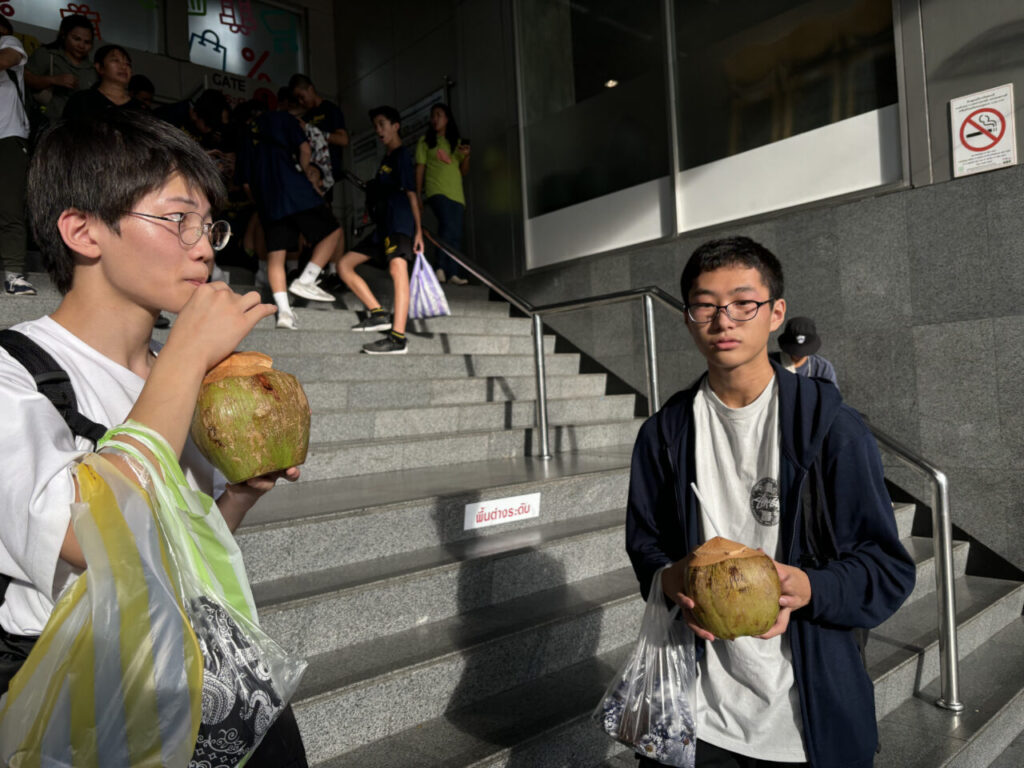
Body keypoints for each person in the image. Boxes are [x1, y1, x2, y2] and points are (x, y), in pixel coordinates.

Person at [0, 109, 307, 766]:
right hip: (96, 707)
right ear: (82, 230)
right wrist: (186, 359)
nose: (203, 247)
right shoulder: (14, 373)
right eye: (176, 221)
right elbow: (84, 538)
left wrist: (239, 498)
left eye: (209, 226)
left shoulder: (181, 371)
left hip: (208, 678)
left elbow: (175, 553)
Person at [625, 236, 915, 768]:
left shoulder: (834, 432)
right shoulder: (663, 436)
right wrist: (675, 579)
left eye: (743, 303)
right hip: (697, 719)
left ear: (775, 312)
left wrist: (810, 587)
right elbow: (646, 549)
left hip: (806, 723)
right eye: (705, 305)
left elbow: (886, 571)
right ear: (688, 317)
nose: (723, 320)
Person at [237, 107, 343, 328]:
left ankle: (284, 313)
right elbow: (305, 149)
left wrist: (262, 202)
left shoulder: (247, 133)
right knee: (333, 230)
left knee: (276, 257)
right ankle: (307, 279)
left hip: (267, 198)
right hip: (293, 188)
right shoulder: (282, 117)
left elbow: (246, 183)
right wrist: (305, 175)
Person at [336, 105, 423, 355]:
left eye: (382, 124)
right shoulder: (386, 159)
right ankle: (378, 312)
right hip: (382, 227)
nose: (378, 130)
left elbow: (412, 194)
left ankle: (398, 338)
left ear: (396, 126)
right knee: (344, 265)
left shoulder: (402, 156)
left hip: (399, 223)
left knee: (398, 268)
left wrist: (417, 231)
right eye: (376, 126)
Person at [415, 102, 470, 285]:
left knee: (455, 233)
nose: (435, 119)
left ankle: (452, 272)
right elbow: (420, 169)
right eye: (433, 115)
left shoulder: (456, 143)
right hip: (436, 190)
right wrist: (417, 194)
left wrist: (466, 156)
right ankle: (439, 267)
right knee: (447, 226)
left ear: (447, 118)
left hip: (456, 194)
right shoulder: (425, 142)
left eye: (439, 115)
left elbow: (462, 172)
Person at [0, 16, 35, 296]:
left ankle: (14, 274)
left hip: (8, 137)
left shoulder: (8, 42)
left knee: (10, 209)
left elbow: (6, 59)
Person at [23, 14, 95, 125]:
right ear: (64, 35)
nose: (81, 45)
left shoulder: (92, 69)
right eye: (76, 39)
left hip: (79, 128)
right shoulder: (47, 54)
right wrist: (52, 80)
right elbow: (25, 78)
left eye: (87, 42)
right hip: (46, 123)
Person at [289, 73, 348, 201]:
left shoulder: (330, 109)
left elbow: (343, 140)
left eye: (302, 97)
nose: (301, 102)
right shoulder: (305, 116)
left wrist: (313, 131)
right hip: (308, 175)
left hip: (328, 173)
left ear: (310, 89)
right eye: (297, 99)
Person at [62, 44, 144, 121]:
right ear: (99, 67)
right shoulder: (82, 100)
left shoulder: (139, 109)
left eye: (127, 63)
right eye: (115, 60)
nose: (123, 66)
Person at [770, 316, 839, 389]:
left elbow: (832, 396)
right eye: (794, 350)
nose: (798, 355)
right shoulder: (770, 363)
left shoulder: (822, 367)